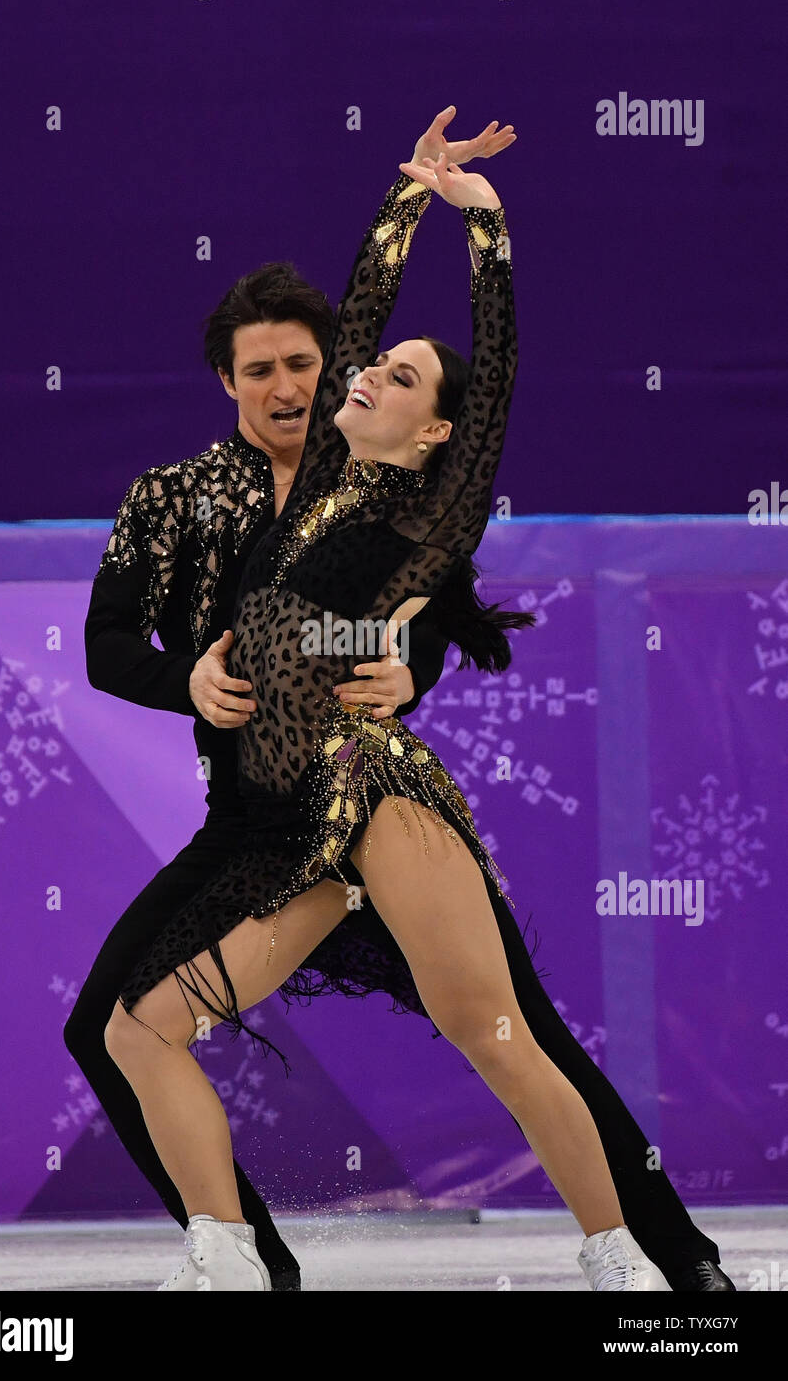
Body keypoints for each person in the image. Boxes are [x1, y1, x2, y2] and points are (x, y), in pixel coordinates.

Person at [99, 111, 734, 1292]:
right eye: (370, 365)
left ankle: (626, 1261)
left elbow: (488, 388)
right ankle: (230, 1262)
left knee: (498, 1036)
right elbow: (363, 307)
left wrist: (485, 238)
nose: (363, 373)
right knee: (140, 1025)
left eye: (394, 377)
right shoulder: (317, 484)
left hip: (375, 802)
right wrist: (406, 198)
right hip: (286, 831)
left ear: (433, 429)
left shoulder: (426, 514)